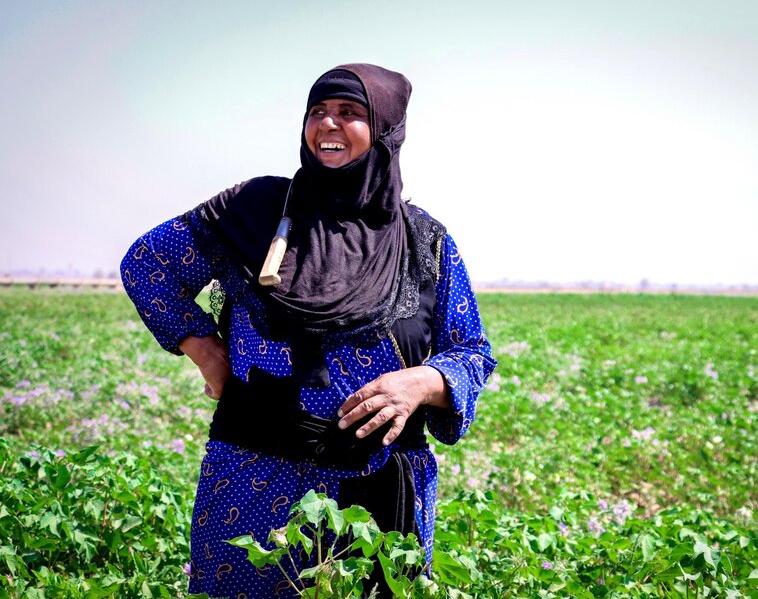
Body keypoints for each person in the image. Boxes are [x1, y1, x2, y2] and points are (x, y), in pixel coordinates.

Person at [120, 63, 496, 597]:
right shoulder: (255, 210)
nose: (327, 125)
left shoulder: (424, 241)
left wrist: (422, 383)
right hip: (256, 479)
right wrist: (205, 350)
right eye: (317, 112)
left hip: (381, 489)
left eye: (349, 113)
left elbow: (471, 351)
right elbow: (148, 264)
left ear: (386, 131)